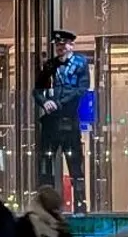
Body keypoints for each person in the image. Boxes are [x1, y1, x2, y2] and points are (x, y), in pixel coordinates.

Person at [33, 29, 90, 214]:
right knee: (46, 164)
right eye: (57, 45)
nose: (60, 47)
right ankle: (46, 205)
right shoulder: (50, 65)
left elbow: (81, 90)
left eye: (63, 44)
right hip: (51, 123)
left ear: (71, 45)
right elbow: (37, 90)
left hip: (69, 121)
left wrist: (58, 103)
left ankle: (80, 206)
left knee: (75, 165)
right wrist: (45, 102)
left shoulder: (80, 63)